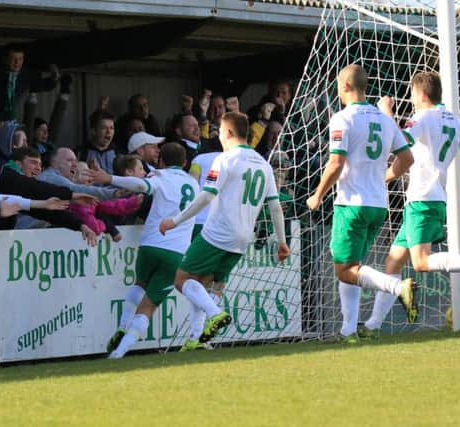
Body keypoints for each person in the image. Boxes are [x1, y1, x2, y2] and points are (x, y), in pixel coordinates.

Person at [360, 71, 460, 338]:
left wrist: (385, 112)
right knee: (393, 261)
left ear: (423, 94)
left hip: (422, 199)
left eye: (413, 93)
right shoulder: (454, 119)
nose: (411, 98)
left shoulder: (423, 117)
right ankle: (372, 326)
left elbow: (398, 142)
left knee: (421, 262)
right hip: (435, 196)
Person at [158, 112, 290, 347]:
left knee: (182, 279)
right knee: (205, 285)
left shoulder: (226, 159)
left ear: (228, 132)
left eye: (219, 130)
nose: (218, 135)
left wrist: (175, 221)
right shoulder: (263, 163)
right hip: (242, 238)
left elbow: (207, 195)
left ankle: (215, 314)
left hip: (217, 233)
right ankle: (197, 339)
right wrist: (282, 241)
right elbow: (275, 207)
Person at [306, 64, 416, 342]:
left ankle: (396, 287)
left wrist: (318, 194)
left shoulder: (343, 118)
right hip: (378, 206)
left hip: (352, 204)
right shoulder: (384, 120)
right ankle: (349, 331)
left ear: (344, 86)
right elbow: (407, 159)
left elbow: (336, 162)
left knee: (344, 270)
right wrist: (385, 178)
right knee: (353, 267)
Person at [103, 143, 200, 358]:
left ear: (161, 161)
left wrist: (109, 179)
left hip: (150, 245)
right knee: (149, 306)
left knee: (139, 284)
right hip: (176, 252)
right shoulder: (194, 184)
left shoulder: (159, 176)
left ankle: (122, 325)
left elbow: (140, 186)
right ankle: (119, 352)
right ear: (185, 163)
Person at [0, 47, 59, 159]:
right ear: (6, 60)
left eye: (20, 59)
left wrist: (53, 79)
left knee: (1, 149)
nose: (17, 63)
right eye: (13, 59)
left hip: (1, 118)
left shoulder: (24, 75)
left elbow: (39, 85)